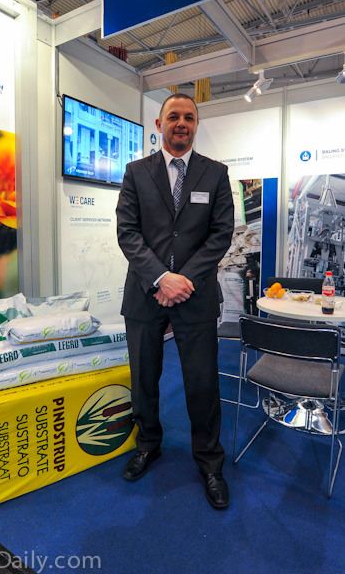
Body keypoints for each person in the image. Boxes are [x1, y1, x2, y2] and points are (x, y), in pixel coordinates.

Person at [116, 93, 234, 509]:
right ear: (159, 124)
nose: (181, 123)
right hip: (145, 292)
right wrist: (161, 278)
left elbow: (221, 234)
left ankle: (210, 462)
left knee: (202, 383)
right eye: (173, 116)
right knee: (144, 378)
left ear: (196, 124)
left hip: (195, 295)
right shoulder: (136, 172)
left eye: (188, 117)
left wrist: (183, 280)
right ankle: (147, 444)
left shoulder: (215, 173)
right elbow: (127, 232)